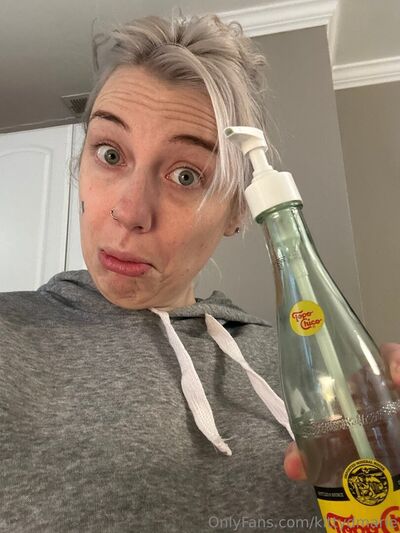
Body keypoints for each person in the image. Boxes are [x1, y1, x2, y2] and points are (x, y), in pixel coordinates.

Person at [1, 13, 399, 533]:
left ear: (237, 212)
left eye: (186, 175)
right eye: (110, 153)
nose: (130, 211)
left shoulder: (310, 367)